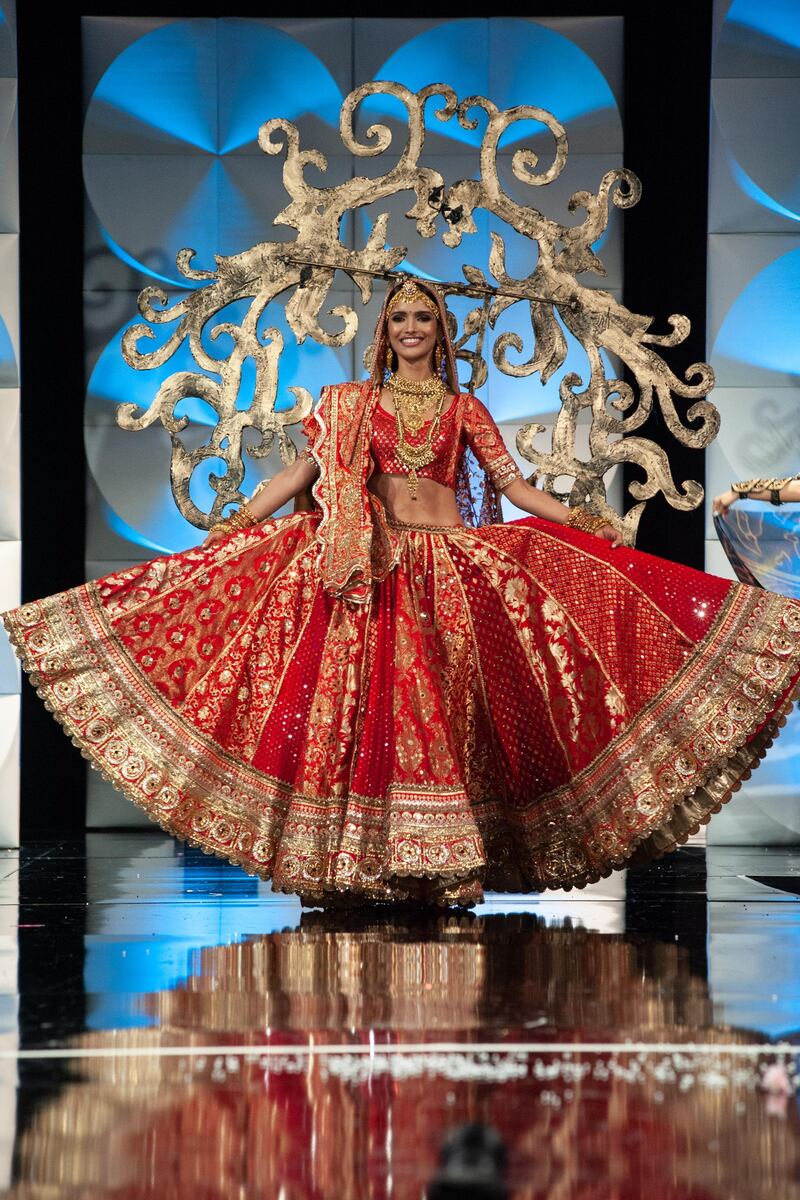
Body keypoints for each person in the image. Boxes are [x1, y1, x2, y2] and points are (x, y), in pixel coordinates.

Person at [5, 278, 800, 908]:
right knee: (371, 715)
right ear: (385, 331)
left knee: (450, 714)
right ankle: (359, 865)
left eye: (424, 317)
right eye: (400, 318)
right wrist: (239, 518)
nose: (411, 328)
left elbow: (516, 488)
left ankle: (444, 865)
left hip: (452, 569)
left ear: (439, 332)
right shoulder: (350, 405)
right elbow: (305, 473)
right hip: (375, 573)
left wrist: (590, 520)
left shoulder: (464, 408)